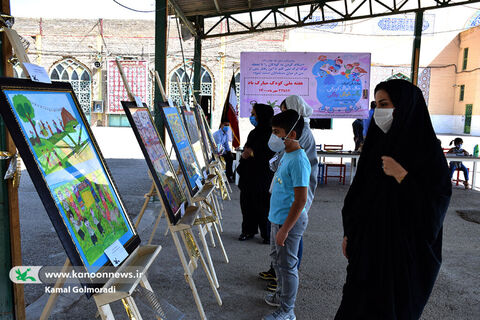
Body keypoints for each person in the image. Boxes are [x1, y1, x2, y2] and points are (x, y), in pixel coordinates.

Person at [335, 79, 451, 320]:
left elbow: (434, 208)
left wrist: (402, 175)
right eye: (376, 105)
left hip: (402, 261)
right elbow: (357, 196)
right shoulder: (375, 146)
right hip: (366, 255)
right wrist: (350, 232)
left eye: (385, 104)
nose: (379, 111)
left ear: (405, 106)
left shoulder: (427, 153)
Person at [259, 95, 319, 292]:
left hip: (296, 190)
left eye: (285, 112)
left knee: (290, 237)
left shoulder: (301, 141)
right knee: (279, 246)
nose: (283, 115)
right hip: (285, 193)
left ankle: (287, 276)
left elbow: (300, 197)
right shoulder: (290, 146)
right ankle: (278, 272)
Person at [262, 109, 310, 320]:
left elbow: (300, 200)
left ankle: (287, 311)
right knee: (278, 261)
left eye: (276, 131)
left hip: (289, 222)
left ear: (292, 134)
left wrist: (285, 230)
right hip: (277, 218)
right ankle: (281, 295)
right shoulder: (286, 154)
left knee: (288, 266)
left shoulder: (299, 160)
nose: (273, 136)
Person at [237, 103, 275, 243]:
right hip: (249, 176)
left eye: (254, 114)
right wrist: (246, 155)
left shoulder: (272, 134)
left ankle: (266, 234)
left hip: (263, 177)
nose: (251, 117)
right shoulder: (254, 132)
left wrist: (252, 153)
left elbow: (271, 155)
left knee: (263, 207)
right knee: (247, 205)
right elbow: (247, 149)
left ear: (261, 116)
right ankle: (248, 230)